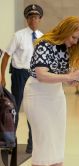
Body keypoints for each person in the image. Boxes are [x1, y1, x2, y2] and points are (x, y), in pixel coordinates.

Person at [23, 16, 79, 166]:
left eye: (78, 39)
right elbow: (41, 74)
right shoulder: (44, 44)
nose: (75, 42)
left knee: (58, 141)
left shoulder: (67, 49)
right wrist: (68, 76)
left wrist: (71, 80)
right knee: (43, 141)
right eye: (74, 37)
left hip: (56, 95)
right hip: (37, 94)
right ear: (66, 30)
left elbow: (59, 76)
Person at [0, 4, 43, 153]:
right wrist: (2, 76)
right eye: (30, 17)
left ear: (40, 20)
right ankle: (10, 142)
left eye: (36, 17)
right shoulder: (18, 35)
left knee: (34, 110)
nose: (33, 20)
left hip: (35, 75)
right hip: (20, 74)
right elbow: (6, 56)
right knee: (14, 109)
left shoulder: (42, 37)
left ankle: (32, 144)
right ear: (27, 19)